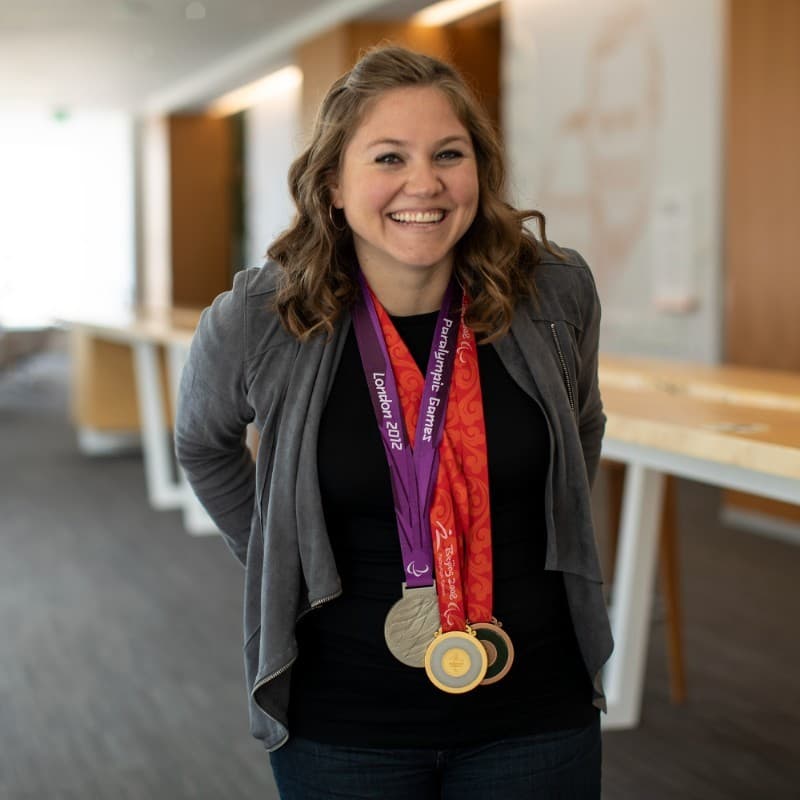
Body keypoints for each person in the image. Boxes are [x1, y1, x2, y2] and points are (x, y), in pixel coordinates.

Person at [175, 44, 613, 800]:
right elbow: (203, 444)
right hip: (343, 718)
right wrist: (279, 556)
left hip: (535, 705)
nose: (425, 183)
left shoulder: (553, 293)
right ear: (334, 186)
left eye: (450, 153)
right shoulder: (263, 317)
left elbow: (582, 427)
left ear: (480, 171)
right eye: (388, 158)